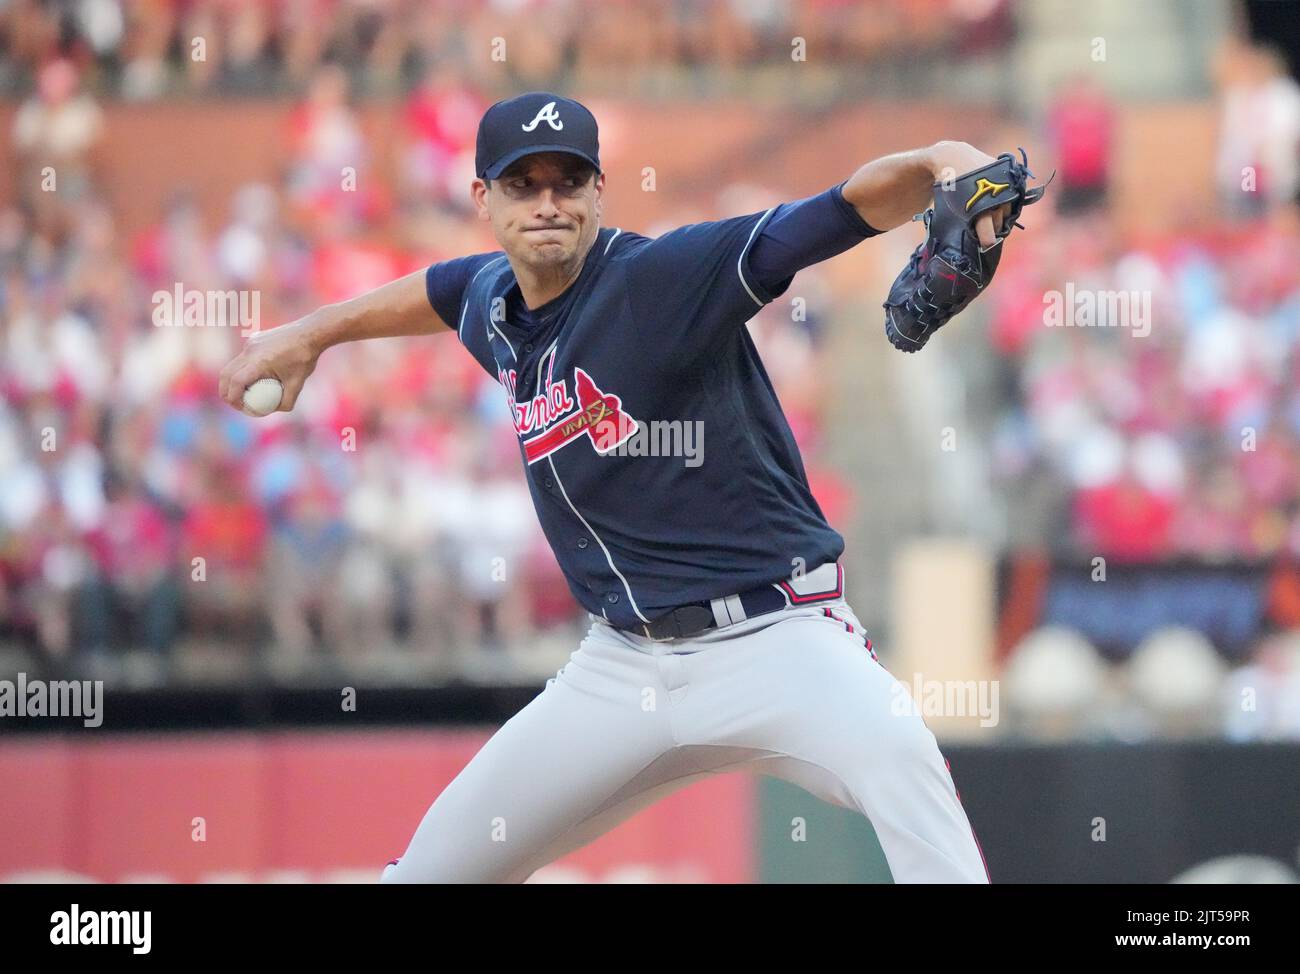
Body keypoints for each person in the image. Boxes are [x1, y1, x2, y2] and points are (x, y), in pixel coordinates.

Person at [219, 92, 1021, 883]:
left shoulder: (659, 279)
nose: (546, 203)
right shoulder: (492, 303)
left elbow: (832, 214)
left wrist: (937, 163)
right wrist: (309, 332)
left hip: (779, 638)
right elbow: (436, 290)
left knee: (905, 765)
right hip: (621, 670)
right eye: (521, 184)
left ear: (598, 189)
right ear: (482, 199)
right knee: (431, 871)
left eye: (567, 181)